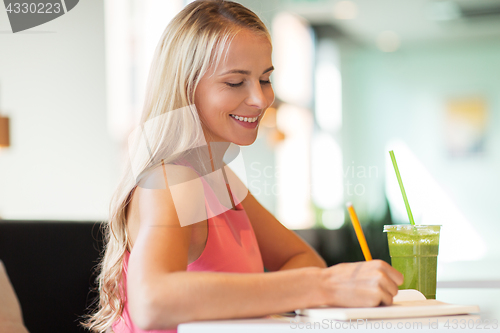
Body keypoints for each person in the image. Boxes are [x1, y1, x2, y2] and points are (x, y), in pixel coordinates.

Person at [82, 1, 403, 332]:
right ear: (186, 87)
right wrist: (323, 286)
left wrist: (284, 292)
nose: (260, 99)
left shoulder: (217, 178)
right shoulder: (172, 178)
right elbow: (152, 302)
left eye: (264, 79)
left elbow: (305, 260)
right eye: (236, 82)